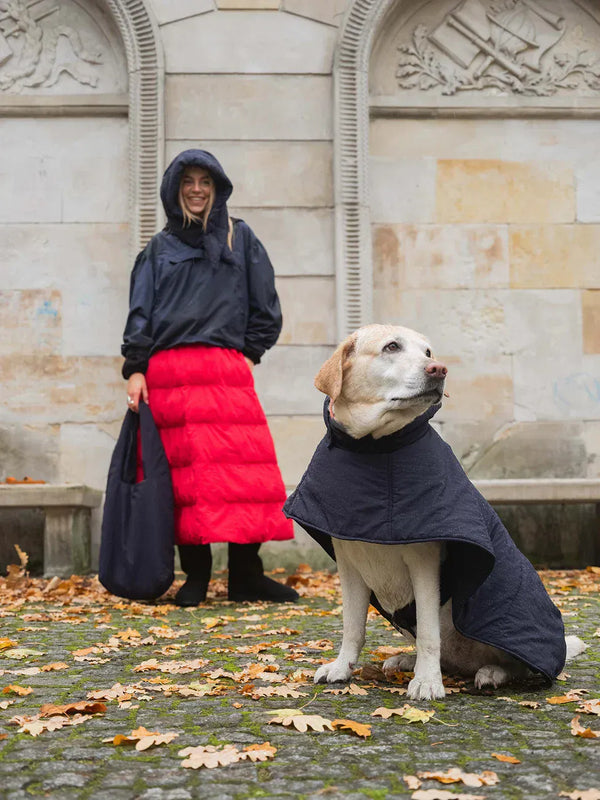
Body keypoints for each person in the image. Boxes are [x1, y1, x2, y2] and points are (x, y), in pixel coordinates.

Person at [121, 149, 298, 606]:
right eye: (188, 181)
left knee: (243, 475)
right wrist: (136, 368)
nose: (197, 189)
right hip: (170, 375)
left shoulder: (242, 238)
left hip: (225, 372)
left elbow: (266, 305)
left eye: (205, 181)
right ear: (175, 189)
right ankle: (195, 577)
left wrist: (248, 355)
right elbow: (140, 312)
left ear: (217, 188)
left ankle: (246, 575)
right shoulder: (158, 249)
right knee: (185, 480)